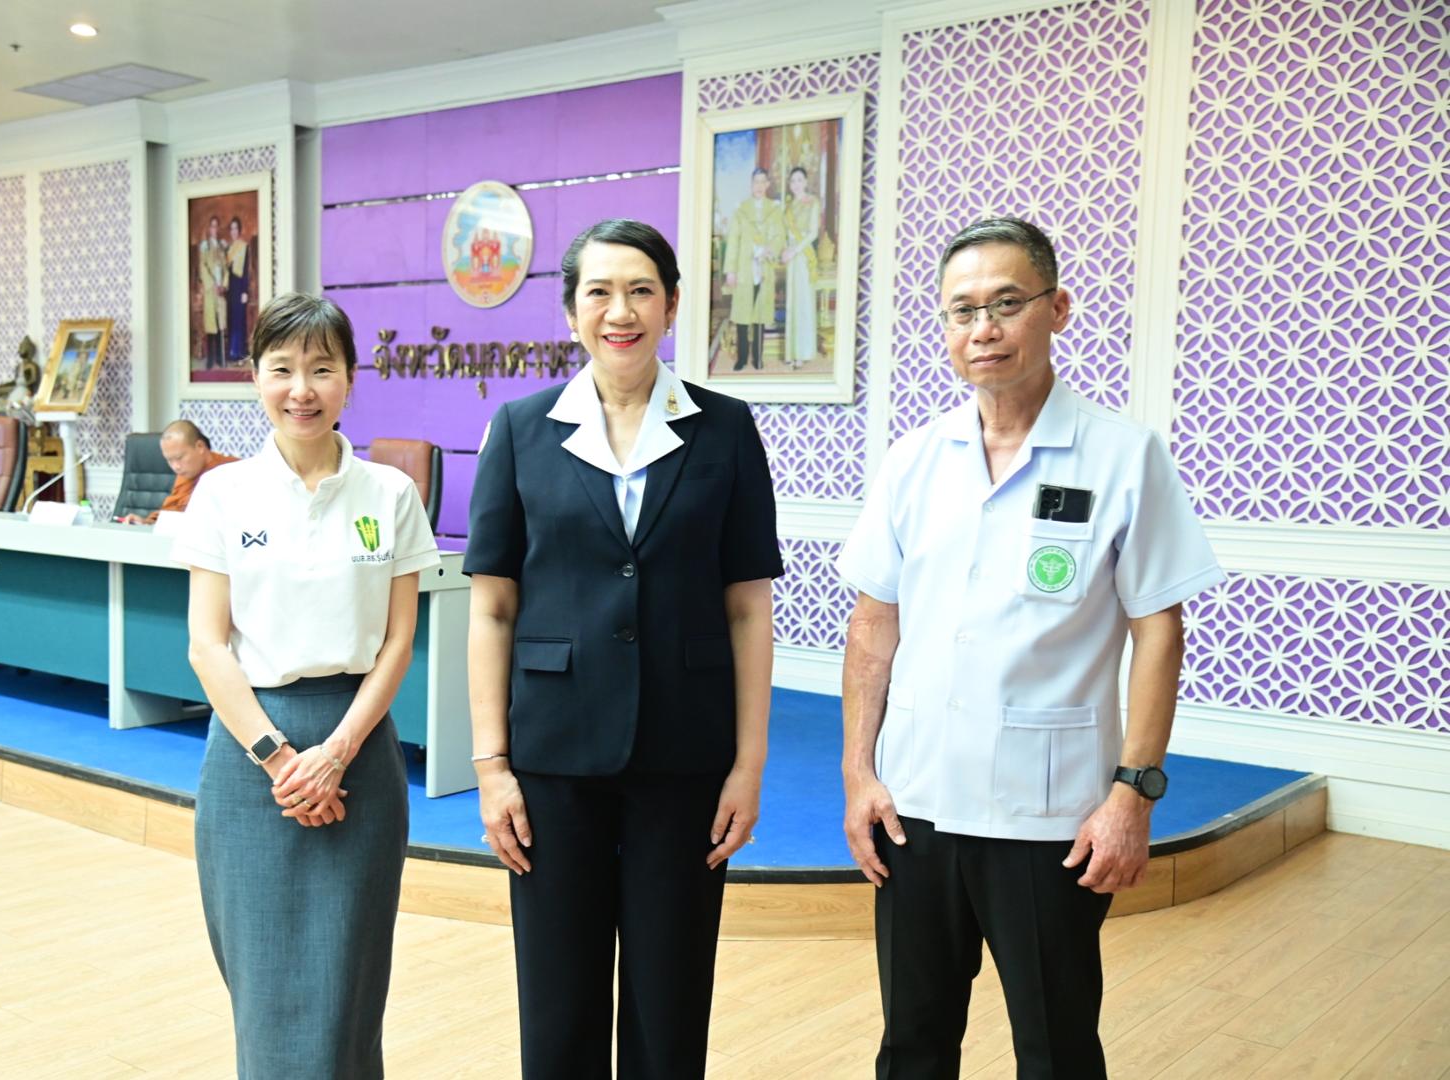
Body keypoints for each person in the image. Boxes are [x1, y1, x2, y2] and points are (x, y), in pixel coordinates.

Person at [837, 217, 1224, 1079]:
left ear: (1057, 309)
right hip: (914, 805)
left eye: (1007, 304)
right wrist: (859, 773)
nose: (983, 328)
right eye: (962, 310)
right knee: (911, 1044)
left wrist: (1132, 795)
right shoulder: (914, 460)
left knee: (1056, 1048)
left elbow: (1158, 629)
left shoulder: (1123, 457)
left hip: (1048, 816)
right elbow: (873, 624)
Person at [465, 218, 783, 1079]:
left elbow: (747, 608)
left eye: (641, 290)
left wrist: (748, 764)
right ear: (571, 311)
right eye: (599, 292)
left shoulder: (725, 428)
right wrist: (491, 767)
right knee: (558, 1002)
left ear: (671, 305)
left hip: (685, 753)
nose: (621, 311)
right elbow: (492, 609)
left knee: (669, 1002)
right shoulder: (521, 429)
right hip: (552, 755)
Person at [171, 292, 440, 1079]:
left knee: (348, 989)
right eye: (282, 369)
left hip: (358, 751)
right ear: (255, 377)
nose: (302, 389)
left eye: (322, 369)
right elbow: (207, 645)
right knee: (265, 988)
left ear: (350, 378)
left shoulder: (389, 493)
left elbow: (398, 643)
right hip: (250, 758)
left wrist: (336, 754)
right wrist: (282, 759)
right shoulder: (222, 494)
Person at [722, 166, 786, 371]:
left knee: (760, 315)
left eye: (762, 182)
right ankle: (742, 358)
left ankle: (758, 357)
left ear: (767, 185)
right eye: (755, 182)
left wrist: (770, 249)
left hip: (764, 268)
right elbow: (733, 241)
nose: (759, 186)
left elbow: (780, 237)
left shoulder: (774, 209)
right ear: (751, 185)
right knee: (742, 315)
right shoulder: (741, 209)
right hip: (744, 268)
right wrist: (730, 271)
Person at [118, 420, 238, 525]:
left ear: (200, 446)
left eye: (180, 458)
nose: (175, 466)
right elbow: (171, 513)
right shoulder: (187, 474)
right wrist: (145, 522)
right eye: (169, 460)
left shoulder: (231, 471)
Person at [781, 166, 822, 369]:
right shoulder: (788, 207)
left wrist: (794, 250)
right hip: (791, 257)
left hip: (804, 256)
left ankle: (803, 353)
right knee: (792, 304)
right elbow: (784, 233)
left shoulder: (813, 202)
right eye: (793, 181)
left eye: (799, 180)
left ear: (805, 182)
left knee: (803, 304)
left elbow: (813, 233)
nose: (796, 184)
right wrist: (784, 250)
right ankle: (792, 352)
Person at [198, 215, 229, 369]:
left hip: (220, 292)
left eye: (217, 226)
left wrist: (223, 285)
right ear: (209, 229)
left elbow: (226, 269)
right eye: (212, 226)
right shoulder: (205, 246)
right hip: (211, 291)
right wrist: (212, 285)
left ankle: (220, 358)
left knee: (220, 324)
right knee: (211, 326)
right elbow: (202, 267)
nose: (214, 229)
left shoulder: (222, 247)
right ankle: (210, 359)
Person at [225, 217, 253, 362]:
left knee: (239, 319)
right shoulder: (228, 248)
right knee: (231, 318)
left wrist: (245, 291)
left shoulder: (244, 247)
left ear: (239, 230)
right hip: (229, 288)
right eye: (231, 228)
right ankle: (231, 351)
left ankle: (239, 351)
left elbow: (245, 270)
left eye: (236, 228)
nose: (233, 231)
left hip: (239, 287)